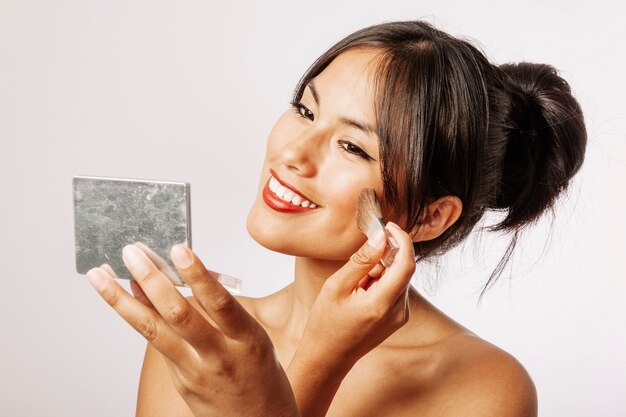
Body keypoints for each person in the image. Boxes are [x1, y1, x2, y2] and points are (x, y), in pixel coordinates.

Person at [86, 20, 586, 416]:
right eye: (305, 111)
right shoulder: (206, 347)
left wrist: (317, 366)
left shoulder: (484, 386)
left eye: (351, 146)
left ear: (432, 217)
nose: (292, 154)